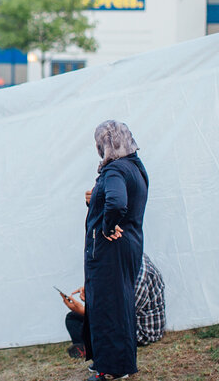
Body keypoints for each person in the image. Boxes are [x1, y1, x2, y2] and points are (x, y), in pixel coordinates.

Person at [81, 120, 149, 380]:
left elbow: (118, 203)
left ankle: (112, 369)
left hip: (111, 250)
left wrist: (109, 227)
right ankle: (110, 360)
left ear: (105, 144)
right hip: (128, 246)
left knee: (109, 306)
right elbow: (121, 198)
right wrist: (94, 197)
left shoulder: (114, 171)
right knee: (118, 303)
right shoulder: (135, 166)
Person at [60, 252, 166, 360]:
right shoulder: (130, 258)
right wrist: (91, 291)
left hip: (141, 332)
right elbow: (113, 292)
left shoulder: (139, 277)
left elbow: (118, 317)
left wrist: (84, 311)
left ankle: (91, 347)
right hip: (125, 318)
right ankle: (85, 348)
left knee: (93, 321)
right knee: (72, 317)